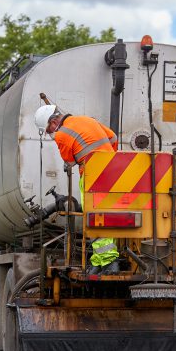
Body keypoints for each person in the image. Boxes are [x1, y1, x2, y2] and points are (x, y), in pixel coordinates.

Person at [34, 104, 120, 274]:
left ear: (53, 122)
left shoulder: (61, 135)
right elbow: (113, 136)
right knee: (109, 215)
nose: (50, 133)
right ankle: (98, 260)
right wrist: (108, 157)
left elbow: (70, 161)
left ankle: (109, 261)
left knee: (95, 218)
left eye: (48, 129)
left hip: (92, 174)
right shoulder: (86, 119)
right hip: (114, 170)